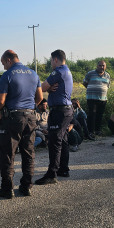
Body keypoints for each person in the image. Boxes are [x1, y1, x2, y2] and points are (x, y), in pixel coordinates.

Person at [0, 50, 43, 199]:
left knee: (8, 154)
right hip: (30, 117)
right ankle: (26, 187)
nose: (4, 67)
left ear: (8, 60)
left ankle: (7, 189)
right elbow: (40, 97)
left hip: (13, 118)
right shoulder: (33, 74)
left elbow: (0, 102)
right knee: (29, 153)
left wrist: (2, 111)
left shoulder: (7, 75)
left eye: (3, 64)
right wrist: (27, 108)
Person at [35, 49, 74, 185]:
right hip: (66, 110)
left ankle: (52, 174)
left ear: (55, 60)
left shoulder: (58, 71)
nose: (51, 63)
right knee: (62, 140)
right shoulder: (67, 71)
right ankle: (63, 168)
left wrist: (46, 88)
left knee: (54, 142)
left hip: (59, 111)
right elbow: (47, 88)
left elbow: (42, 87)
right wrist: (48, 88)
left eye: (51, 61)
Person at [83, 61, 111, 138]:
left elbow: (107, 86)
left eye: (103, 66)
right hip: (92, 98)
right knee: (92, 114)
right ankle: (90, 132)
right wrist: (92, 89)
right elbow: (85, 83)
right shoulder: (90, 74)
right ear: (97, 66)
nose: (101, 67)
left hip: (103, 99)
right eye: (100, 65)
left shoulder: (107, 75)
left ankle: (97, 130)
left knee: (100, 115)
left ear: (105, 67)